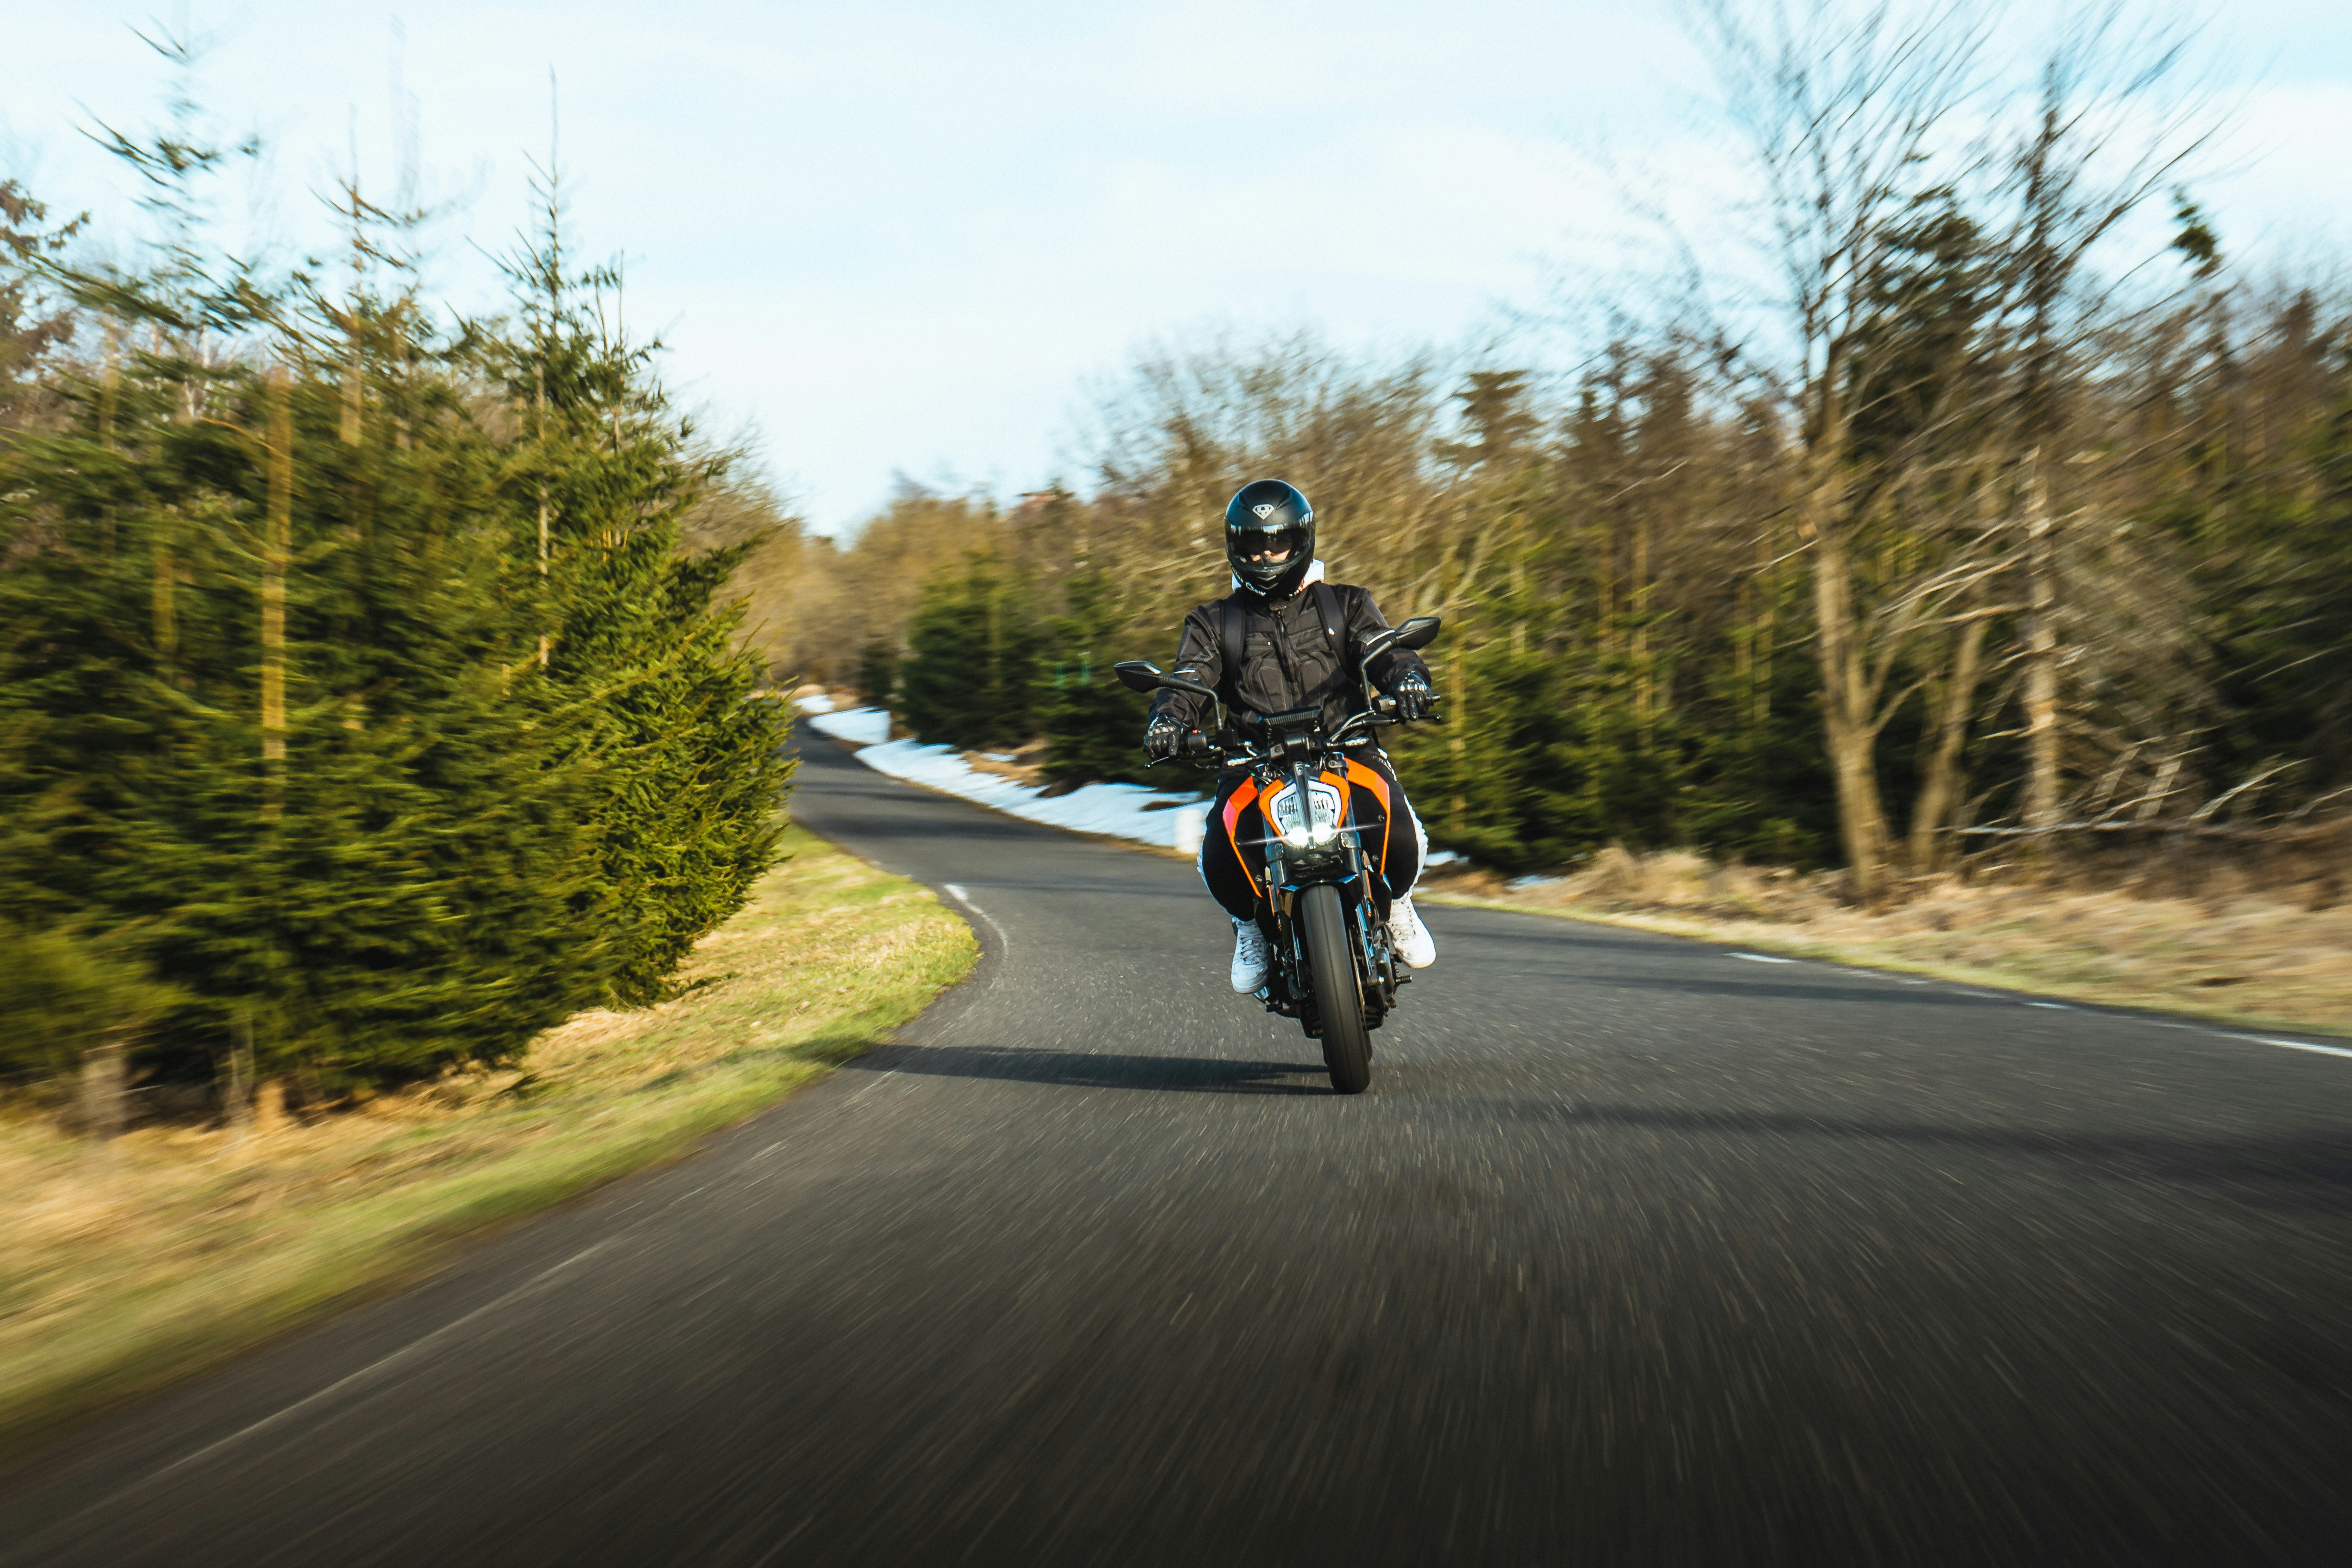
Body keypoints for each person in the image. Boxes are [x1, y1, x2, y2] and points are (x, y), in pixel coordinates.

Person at [1141, 478, 1442, 993]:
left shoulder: (1345, 604)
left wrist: (1409, 680)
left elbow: (1386, 651)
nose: (1266, 555)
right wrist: (1168, 719)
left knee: (1399, 824)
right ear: (1236, 547)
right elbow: (1189, 677)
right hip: (1251, 760)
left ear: (1301, 540)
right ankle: (1251, 925)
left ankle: (1395, 904)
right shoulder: (1215, 622)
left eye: (1277, 542)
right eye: (1254, 544)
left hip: (1345, 747)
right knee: (1218, 846)